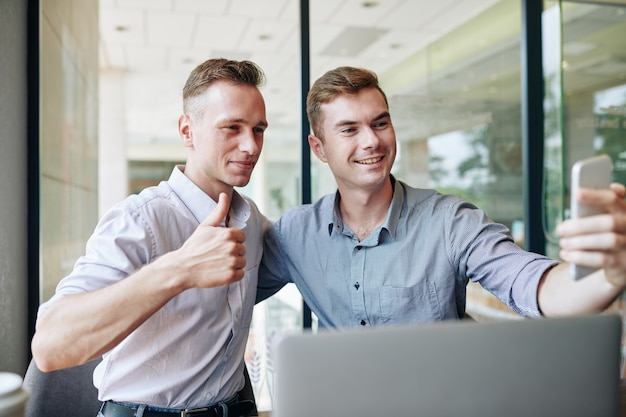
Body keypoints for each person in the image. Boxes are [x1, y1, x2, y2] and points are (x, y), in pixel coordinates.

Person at [257, 66, 626, 328]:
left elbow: (535, 286)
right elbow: (228, 297)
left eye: (380, 123)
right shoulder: (296, 233)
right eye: (349, 129)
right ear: (318, 148)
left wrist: (608, 276)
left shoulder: (450, 221)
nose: (371, 140)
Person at [31, 58, 270, 417]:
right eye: (232, 127)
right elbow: (50, 347)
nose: (250, 146)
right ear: (187, 131)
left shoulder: (251, 219)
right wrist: (180, 269)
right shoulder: (138, 219)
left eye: (258, 129)